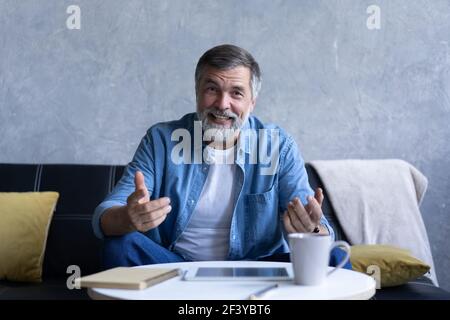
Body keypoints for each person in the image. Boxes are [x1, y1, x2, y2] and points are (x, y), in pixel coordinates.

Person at [92, 44, 335, 268]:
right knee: (119, 246)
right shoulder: (161, 140)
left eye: (236, 93)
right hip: (174, 269)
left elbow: (316, 227)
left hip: (256, 270)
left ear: (252, 102)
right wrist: (128, 217)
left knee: (333, 257)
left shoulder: (278, 145)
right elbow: (105, 214)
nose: (222, 104)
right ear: (197, 92)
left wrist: (313, 229)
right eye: (212, 89)